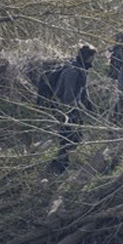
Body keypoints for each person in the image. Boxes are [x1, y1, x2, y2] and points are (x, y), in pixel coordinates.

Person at [36, 43, 97, 174]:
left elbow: (82, 92)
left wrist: (90, 108)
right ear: (89, 57)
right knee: (68, 136)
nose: (94, 60)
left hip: (69, 108)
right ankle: (60, 165)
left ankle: (60, 162)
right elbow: (68, 94)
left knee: (73, 137)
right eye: (93, 57)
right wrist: (71, 112)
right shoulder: (73, 71)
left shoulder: (80, 68)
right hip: (65, 109)